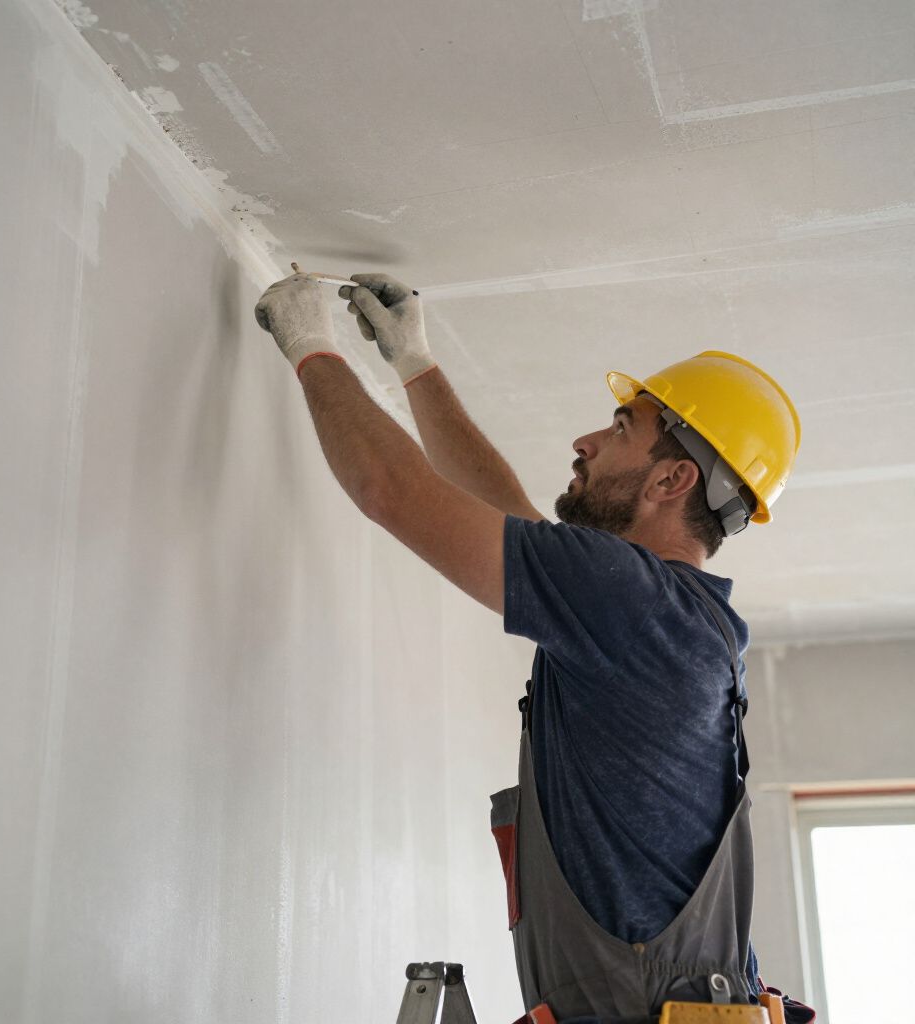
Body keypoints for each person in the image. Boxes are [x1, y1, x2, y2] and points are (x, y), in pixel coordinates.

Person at [254, 271, 813, 1024]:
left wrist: (307, 342)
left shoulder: (633, 600)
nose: (585, 442)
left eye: (621, 430)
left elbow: (390, 489)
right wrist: (415, 364)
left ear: (672, 479)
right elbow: (504, 516)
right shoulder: (669, 616)